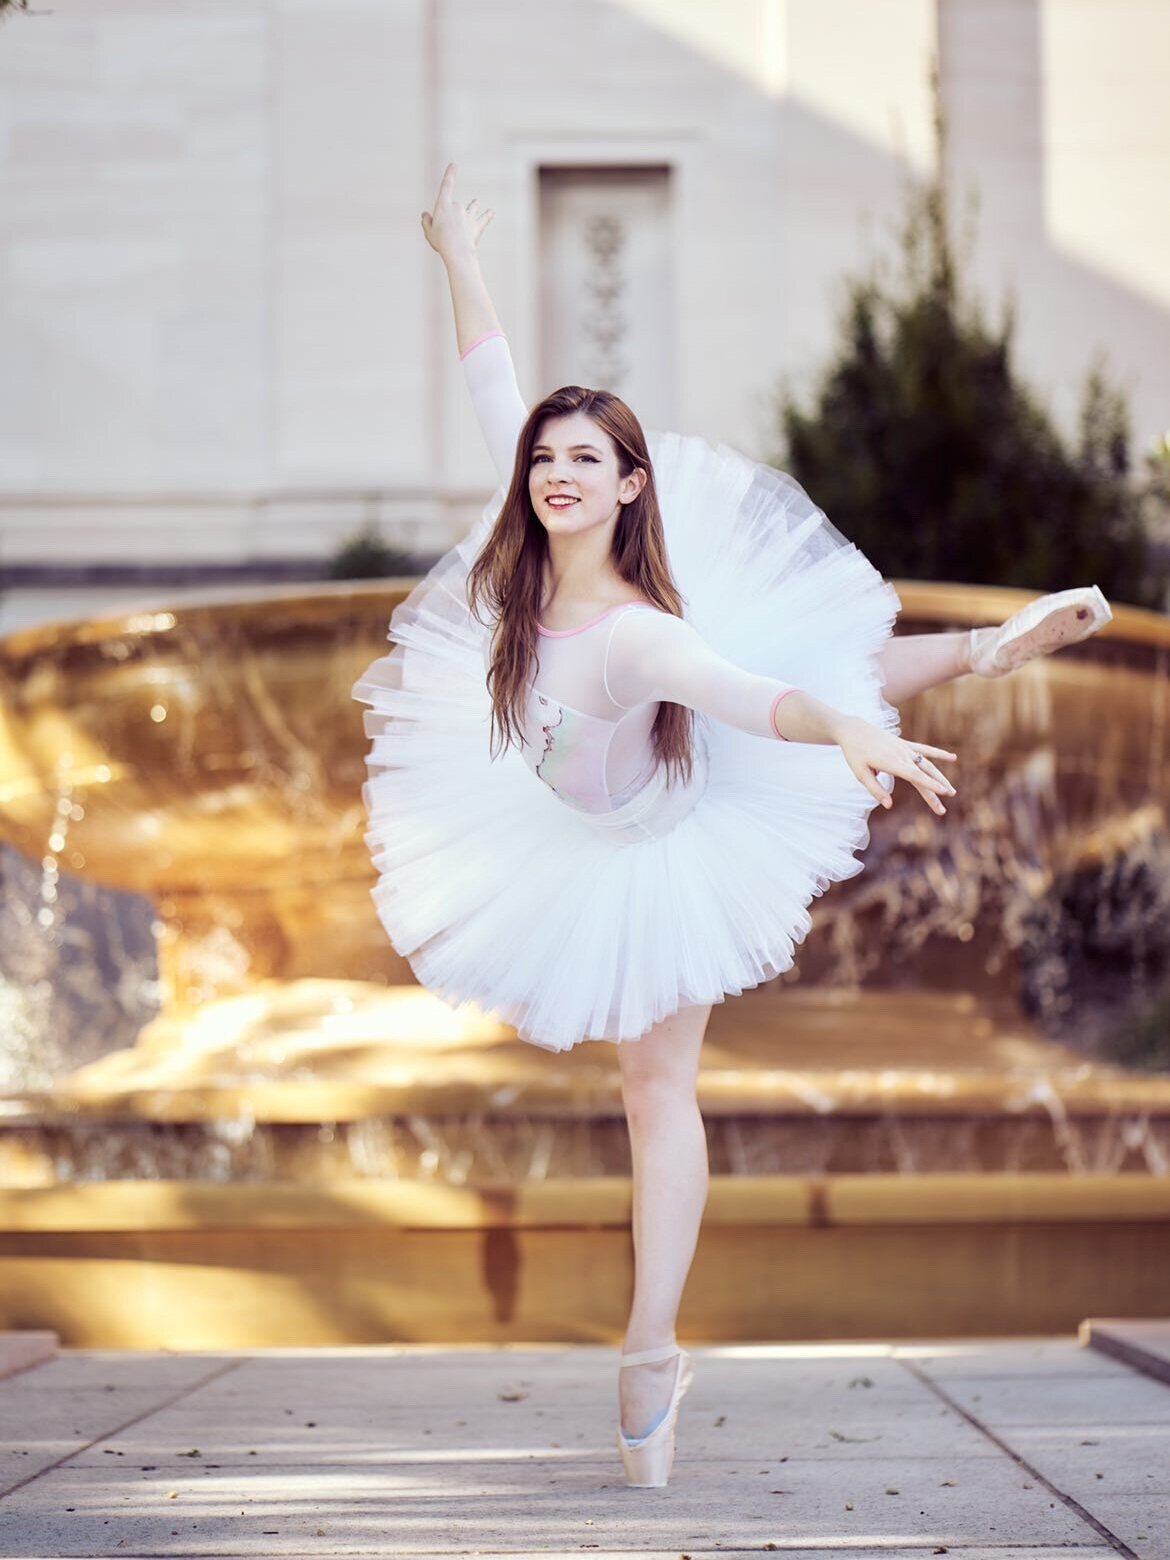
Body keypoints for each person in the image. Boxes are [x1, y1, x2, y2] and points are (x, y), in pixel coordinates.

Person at [351, 162, 1113, 1488]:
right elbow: (494, 382)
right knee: (822, 670)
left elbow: (743, 694)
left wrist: (850, 736)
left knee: (658, 1081)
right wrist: (458, 258)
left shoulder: (640, 631)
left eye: (584, 458)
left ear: (632, 485)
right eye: (545, 460)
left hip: (673, 833)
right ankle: (985, 649)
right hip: (561, 820)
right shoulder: (530, 552)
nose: (552, 473)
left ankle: (650, 1355)